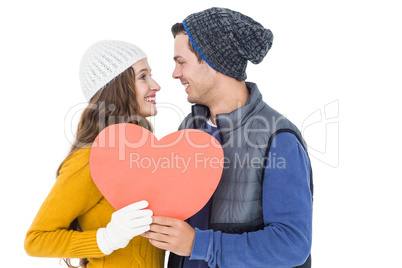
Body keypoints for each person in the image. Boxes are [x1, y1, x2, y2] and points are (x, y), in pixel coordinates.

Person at [141, 7, 313, 268]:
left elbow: (291, 244)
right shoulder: (189, 128)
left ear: (212, 61)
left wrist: (199, 244)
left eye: (181, 62)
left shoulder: (278, 138)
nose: (175, 74)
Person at [24, 40, 165, 267]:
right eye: (143, 77)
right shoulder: (90, 159)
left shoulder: (143, 155)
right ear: (118, 88)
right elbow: (36, 240)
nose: (155, 85)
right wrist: (106, 238)